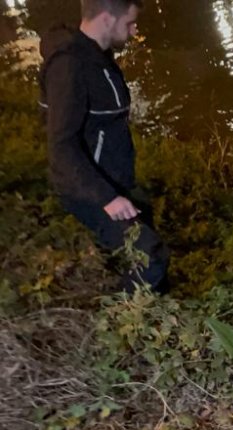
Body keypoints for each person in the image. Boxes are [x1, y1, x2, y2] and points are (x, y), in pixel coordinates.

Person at [39, 0, 169, 293]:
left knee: (143, 220)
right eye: (130, 23)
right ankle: (123, 321)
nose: (135, 32)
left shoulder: (96, 55)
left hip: (111, 178)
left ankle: (158, 305)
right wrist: (107, 198)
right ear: (108, 19)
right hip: (86, 189)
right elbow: (61, 145)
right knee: (151, 258)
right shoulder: (69, 67)